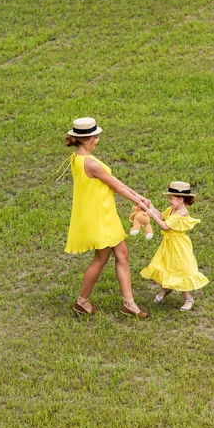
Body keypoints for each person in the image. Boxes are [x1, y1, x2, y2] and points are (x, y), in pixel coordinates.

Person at [60, 117, 150, 319]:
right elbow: (115, 187)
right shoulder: (90, 163)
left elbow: (113, 181)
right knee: (103, 258)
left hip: (103, 214)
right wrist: (141, 203)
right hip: (101, 217)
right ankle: (83, 301)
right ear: (85, 139)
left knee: (122, 254)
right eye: (95, 136)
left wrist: (138, 196)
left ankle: (128, 304)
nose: (98, 139)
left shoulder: (77, 158)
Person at [140, 181, 208, 311]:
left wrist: (152, 214)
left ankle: (188, 298)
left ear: (181, 199)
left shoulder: (181, 213)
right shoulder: (173, 209)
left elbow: (165, 226)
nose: (169, 201)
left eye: (171, 198)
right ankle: (166, 287)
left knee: (180, 269)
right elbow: (161, 215)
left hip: (178, 246)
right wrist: (151, 206)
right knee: (163, 265)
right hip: (168, 244)